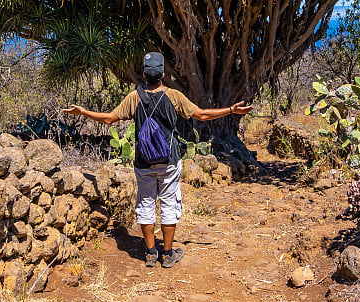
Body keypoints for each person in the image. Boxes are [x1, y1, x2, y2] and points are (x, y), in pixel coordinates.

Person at [62, 52, 252, 268]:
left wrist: (83, 112)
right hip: (169, 160)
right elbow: (202, 115)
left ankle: (151, 253)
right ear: (163, 74)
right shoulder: (174, 96)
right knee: (169, 203)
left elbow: (109, 119)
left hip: (143, 162)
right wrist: (230, 110)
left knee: (145, 203)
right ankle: (168, 253)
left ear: (143, 74)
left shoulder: (134, 97)